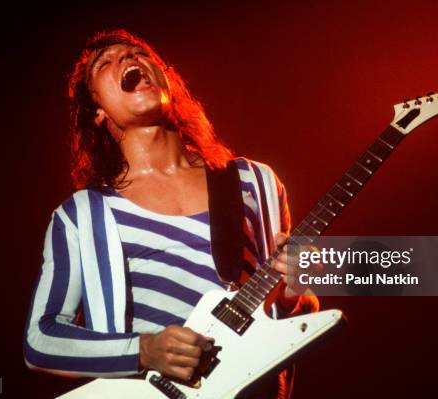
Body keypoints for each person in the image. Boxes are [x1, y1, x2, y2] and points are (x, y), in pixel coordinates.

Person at [23, 29, 318, 398]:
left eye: (137, 53)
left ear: (166, 79)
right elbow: (41, 337)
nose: (128, 60)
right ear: (97, 111)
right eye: (106, 63)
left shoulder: (253, 180)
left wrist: (294, 292)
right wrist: (143, 350)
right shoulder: (82, 215)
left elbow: (295, 310)